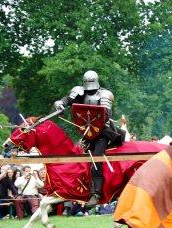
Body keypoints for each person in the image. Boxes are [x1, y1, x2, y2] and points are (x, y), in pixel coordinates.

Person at [53, 70, 125, 207]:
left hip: (103, 132)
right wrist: (60, 103)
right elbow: (67, 100)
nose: (89, 85)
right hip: (87, 133)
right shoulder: (79, 91)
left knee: (96, 158)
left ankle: (96, 194)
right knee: (76, 156)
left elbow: (105, 115)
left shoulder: (105, 94)